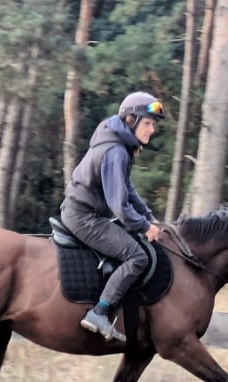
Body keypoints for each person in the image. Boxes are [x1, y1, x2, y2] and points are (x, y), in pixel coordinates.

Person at [60, 91, 164, 343]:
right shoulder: (116, 152)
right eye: (148, 123)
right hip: (84, 217)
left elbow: (127, 189)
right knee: (136, 256)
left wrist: (149, 217)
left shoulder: (120, 146)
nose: (152, 129)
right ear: (131, 120)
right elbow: (119, 205)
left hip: (87, 213)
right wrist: (143, 226)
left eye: (153, 124)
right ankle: (100, 312)